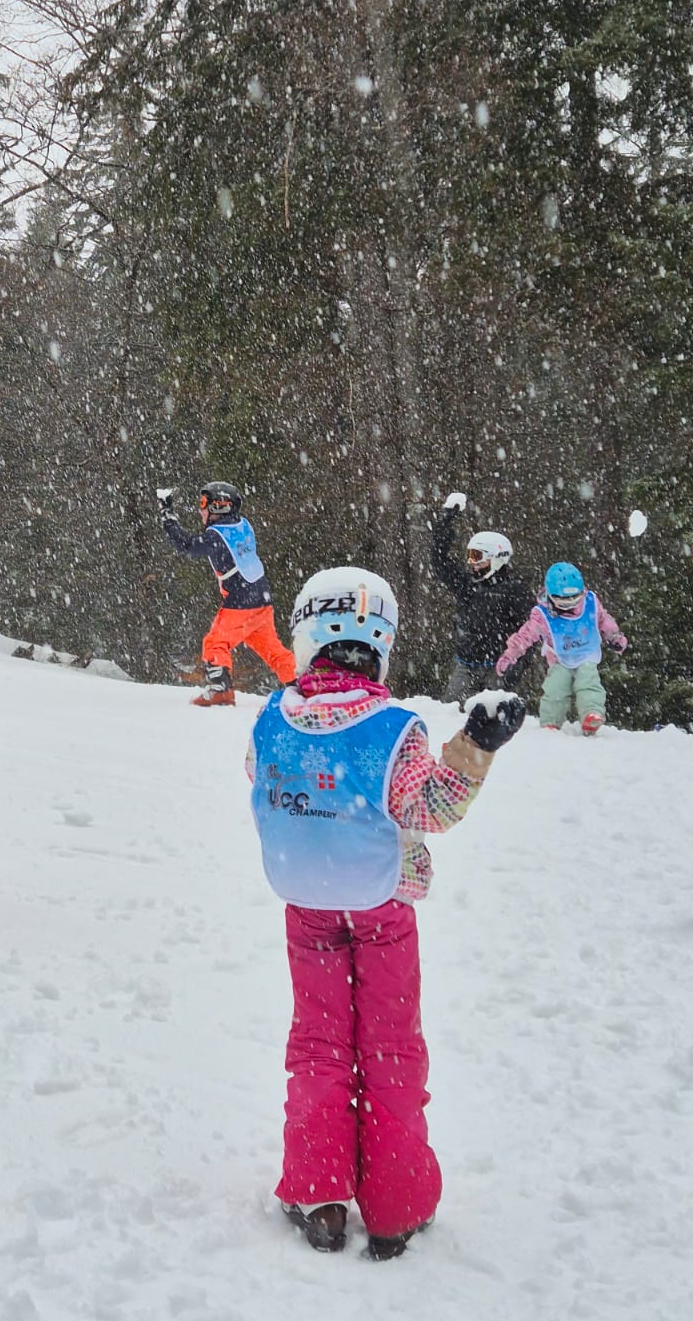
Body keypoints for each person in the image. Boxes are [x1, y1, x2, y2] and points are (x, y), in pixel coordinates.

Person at [247, 565, 525, 1259]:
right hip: (383, 909)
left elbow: (258, 775)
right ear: (381, 647)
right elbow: (430, 807)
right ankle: (396, 1206)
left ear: (307, 638)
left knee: (319, 1044)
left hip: (309, 908)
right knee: (390, 1048)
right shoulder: (393, 730)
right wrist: (474, 748)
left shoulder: (272, 719)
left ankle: (319, 1195)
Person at [158, 481, 296, 706]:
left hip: (241, 600)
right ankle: (302, 684)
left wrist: (168, 517)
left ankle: (220, 688)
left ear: (218, 506)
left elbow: (187, 545)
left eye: (204, 503)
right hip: (261, 597)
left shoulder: (217, 536)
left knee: (215, 642)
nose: (200, 510)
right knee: (272, 650)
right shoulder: (243, 525)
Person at [496, 562, 627, 736]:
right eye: (563, 602)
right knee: (556, 688)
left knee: (588, 682)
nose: (570, 606)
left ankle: (591, 714)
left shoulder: (590, 602)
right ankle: (551, 721)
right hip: (559, 658)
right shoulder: (542, 615)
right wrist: (510, 655)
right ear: (551, 596)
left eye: (574, 600)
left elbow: (603, 619)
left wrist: (615, 637)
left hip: (586, 654)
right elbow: (525, 636)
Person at [429, 491, 535, 703]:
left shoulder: (515, 591)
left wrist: (518, 664)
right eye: (470, 556)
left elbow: (531, 630)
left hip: (499, 665)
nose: (472, 563)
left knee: (493, 714)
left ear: (496, 558)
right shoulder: (467, 585)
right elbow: (440, 563)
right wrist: (445, 522)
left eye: (477, 557)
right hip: (466, 664)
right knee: (450, 711)